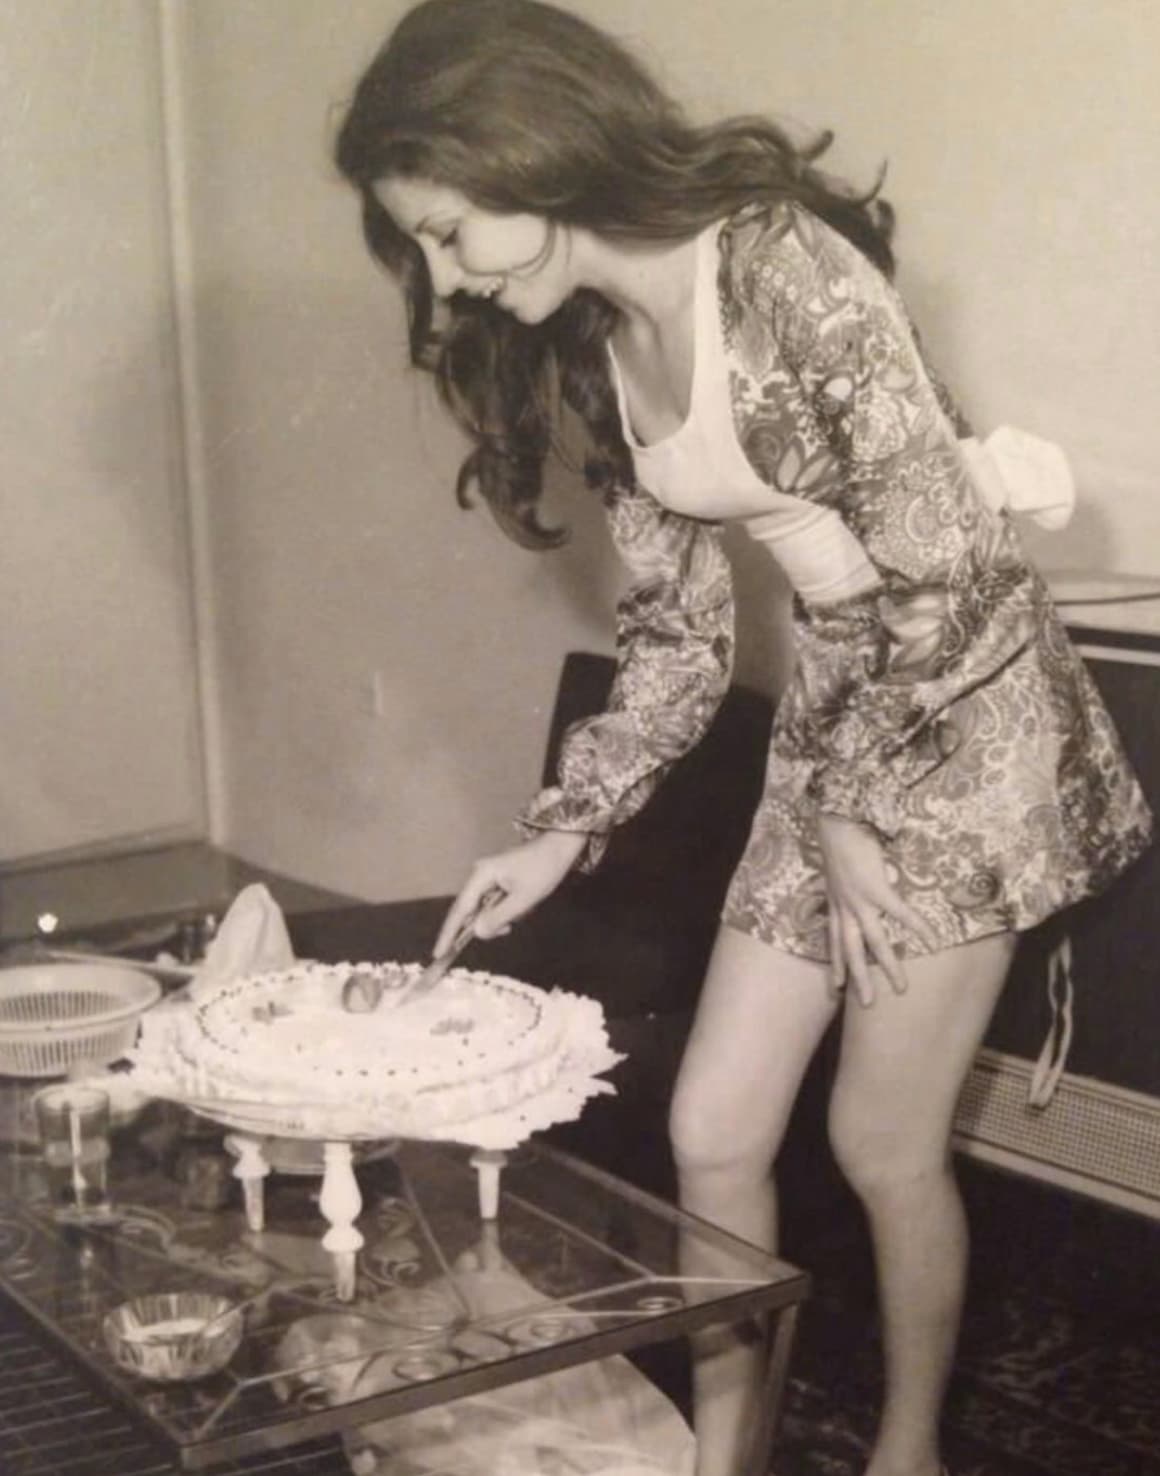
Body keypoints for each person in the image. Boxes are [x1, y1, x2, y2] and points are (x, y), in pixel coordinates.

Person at [334, 4, 1153, 1474]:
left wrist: (845, 816)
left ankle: (908, 1449)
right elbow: (682, 631)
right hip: (846, 716)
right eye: (426, 251)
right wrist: (564, 825)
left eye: (454, 232)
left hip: (965, 709)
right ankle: (735, 1459)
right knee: (714, 1128)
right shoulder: (596, 344)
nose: (447, 281)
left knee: (879, 1144)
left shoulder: (783, 266)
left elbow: (947, 570)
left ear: (536, 151)